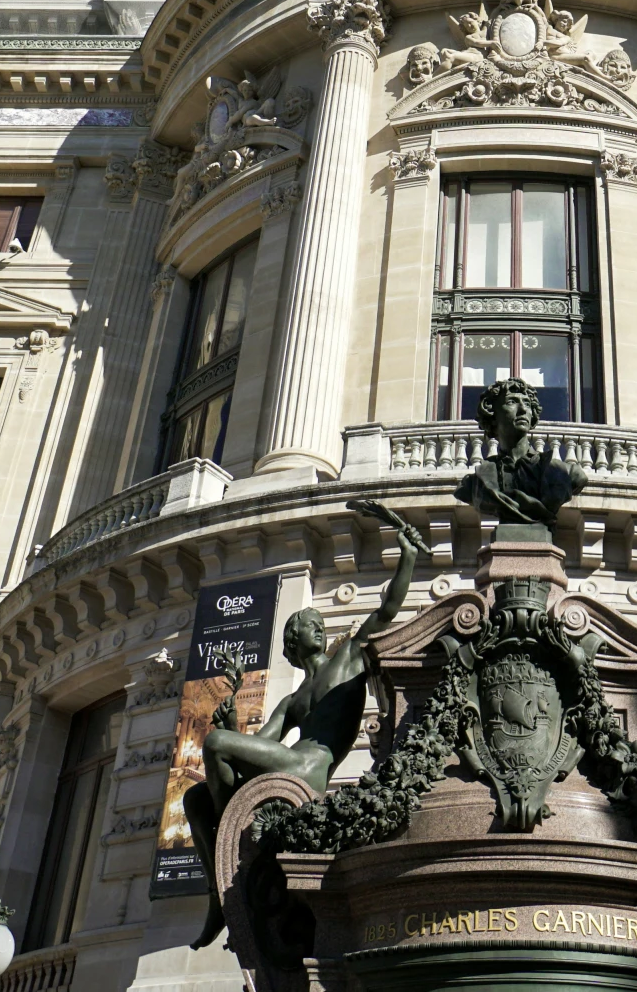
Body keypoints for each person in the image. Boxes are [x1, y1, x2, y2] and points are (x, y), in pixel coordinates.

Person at [186, 499, 426, 947]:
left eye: (317, 622)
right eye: (306, 624)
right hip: (286, 763)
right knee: (196, 797)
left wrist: (408, 557)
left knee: (217, 744)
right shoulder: (293, 700)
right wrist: (234, 719)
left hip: (310, 769)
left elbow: (387, 610)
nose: (316, 626)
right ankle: (218, 894)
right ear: (295, 644)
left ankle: (234, 845)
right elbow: (259, 746)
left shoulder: (349, 658)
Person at [457, 377, 586, 530]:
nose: (523, 410)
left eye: (527, 403)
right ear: (493, 414)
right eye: (512, 402)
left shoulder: (565, 473)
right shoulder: (476, 482)